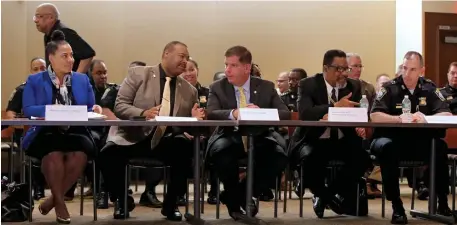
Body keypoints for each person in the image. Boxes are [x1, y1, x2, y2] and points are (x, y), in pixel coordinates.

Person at [99, 41, 205, 221]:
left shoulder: (190, 90)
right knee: (107, 154)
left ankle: (171, 205)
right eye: (181, 56)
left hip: (165, 139)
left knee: (185, 149)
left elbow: (187, 126)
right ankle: (123, 201)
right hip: (134, 137)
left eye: (187, 58)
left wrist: (196, 119)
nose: (185, 62)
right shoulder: (139, 74)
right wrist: (143, 113)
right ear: (165, 54)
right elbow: (120, 106)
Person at [22, 30, 101, 223]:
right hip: (45, 130)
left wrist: (96, 107)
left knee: (80, 154)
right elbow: (28, 108)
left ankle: (53, 198)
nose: (71, 60)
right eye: (65, 56)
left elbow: (90, 106)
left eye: (72, 55)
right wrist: (53, 109)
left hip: (75, 130)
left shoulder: (82, 79)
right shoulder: (35, 80)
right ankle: (60, 203)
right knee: (53, 154)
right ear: (51, 58)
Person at [370, 51, 455, 224]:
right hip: (389, 140)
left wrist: (425, 118)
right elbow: (375, 115)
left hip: (417, 142)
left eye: (412, 70)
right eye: (404, 68)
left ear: (422, 70)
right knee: (388, 147)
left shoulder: (430, 88)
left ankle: (442, 202)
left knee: (439, 146)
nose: (407, 74)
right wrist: (398, 119)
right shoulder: (389, 87)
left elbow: (446, 113)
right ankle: (397, 206)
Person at [206, 45, 290, 219]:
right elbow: (212, 113)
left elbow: (285, 113)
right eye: (226, 65)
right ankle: (235, 198)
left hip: (260, 136)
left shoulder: (266, 87)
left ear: (246, 68)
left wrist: (261, 112)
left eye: (233, 65)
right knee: (221, 154)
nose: (227, 70)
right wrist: (234, 113)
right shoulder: (217, 87)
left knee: (278, 157)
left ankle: (237, 195)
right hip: (229, 136)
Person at [288, 49, 371, 219]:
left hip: (342, 138)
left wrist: (357, 120)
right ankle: (327, 197)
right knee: (310, 158)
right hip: (313, 138)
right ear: (325, 68)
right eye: (338, 69)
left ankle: (325, 195)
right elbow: (305, 113)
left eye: (345, 69)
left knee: (362, 159)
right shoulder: (308, 84)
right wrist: (334, 107)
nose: (343, 74)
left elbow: (358, 113)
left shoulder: (353, 86)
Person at [5, 57, 47, 200]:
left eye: (43, 68)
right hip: (25, 132)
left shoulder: (53, 90)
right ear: (30, 71)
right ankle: (38, 188)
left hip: (46, 131)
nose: (39, 72)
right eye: (36, 69)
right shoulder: (22, 90)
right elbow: (10, 114)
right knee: (33, 151)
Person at [34, 3, 95, 74]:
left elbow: (88, 54)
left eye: (39, 16)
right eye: (35, 17)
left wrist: (77, 79)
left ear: (51, 17)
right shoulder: (47, 35)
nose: (35, 20)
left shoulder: (64, 32)